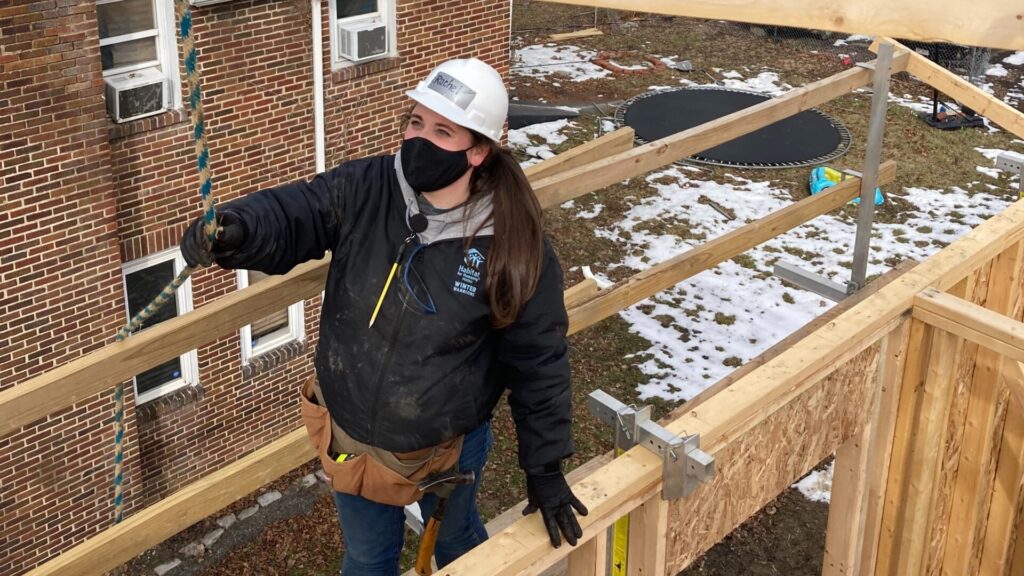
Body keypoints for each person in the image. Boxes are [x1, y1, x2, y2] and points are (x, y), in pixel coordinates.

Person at [180, 58, 587, 575]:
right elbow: (296, 211)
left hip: (446, 448)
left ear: (479, 151)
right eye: (416, 122)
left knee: (458, 540)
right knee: (369, 559)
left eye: (442, 132)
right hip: (352, 437)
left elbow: (539, 360)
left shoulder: (510, 244)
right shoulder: (369, 187)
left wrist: (544, 467)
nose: (419, 141)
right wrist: (239, 230)